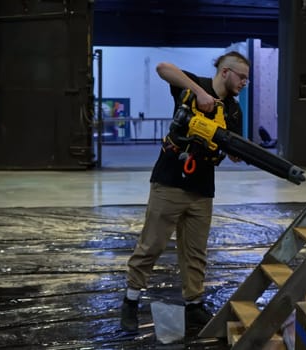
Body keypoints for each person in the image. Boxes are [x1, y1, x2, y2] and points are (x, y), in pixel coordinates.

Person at [120, 51, 250, 334]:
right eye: (242, 77)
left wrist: (241, 152)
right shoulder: (193, 84)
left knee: (195, 252)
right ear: (225, 72)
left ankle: (193, 305)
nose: (244, 83)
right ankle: (130, 301)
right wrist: (200, 94)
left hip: (203, 188)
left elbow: (234, 147)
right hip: (170, 180)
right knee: (151, 245)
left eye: (247, 79)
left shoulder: (234, 109)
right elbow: (163, 67)